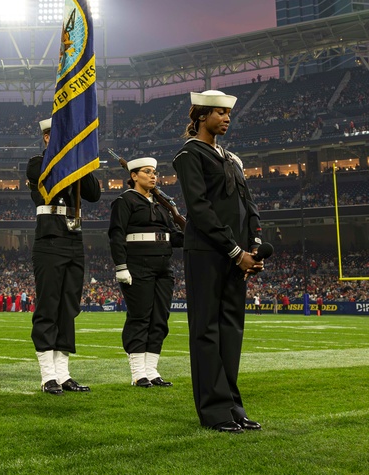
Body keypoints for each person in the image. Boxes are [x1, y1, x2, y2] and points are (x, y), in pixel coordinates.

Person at [172, 89, 263, 433]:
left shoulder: (232, 158)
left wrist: (252, 245)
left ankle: (232, 406)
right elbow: (198, 208)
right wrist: (235, 251)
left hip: (236, 255)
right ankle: (213, 411)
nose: (227, 118)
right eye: (220, 113)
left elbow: (248, 205)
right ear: (201, 116)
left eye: (228, 114)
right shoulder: (188, 154)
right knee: (207, 332)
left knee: (230, 332)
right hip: (207, 253)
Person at [28, 117, 101, 394]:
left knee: (68, 308)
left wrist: (82, 160)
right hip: (49, 237)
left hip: (73, 237)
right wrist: (66, 155)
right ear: (47, 138)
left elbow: (93, 193)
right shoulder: (37, 162)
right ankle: (48, 375)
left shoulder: (75, 165)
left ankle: (63, 373)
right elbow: (47, 180)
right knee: (49, 305)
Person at [108, 156, 183, 388]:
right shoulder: (125, 201)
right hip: (137, 266)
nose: (153, 176)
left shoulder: (161, 206)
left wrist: (195, 231)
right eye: (147, 172)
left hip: (163, 268)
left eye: (155, 172)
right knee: (140, 317)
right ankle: (138, 372)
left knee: (160, 319)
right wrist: (121, 266)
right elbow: (116, 235)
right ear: (134, 176)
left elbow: (173, 236)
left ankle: (152, 370)